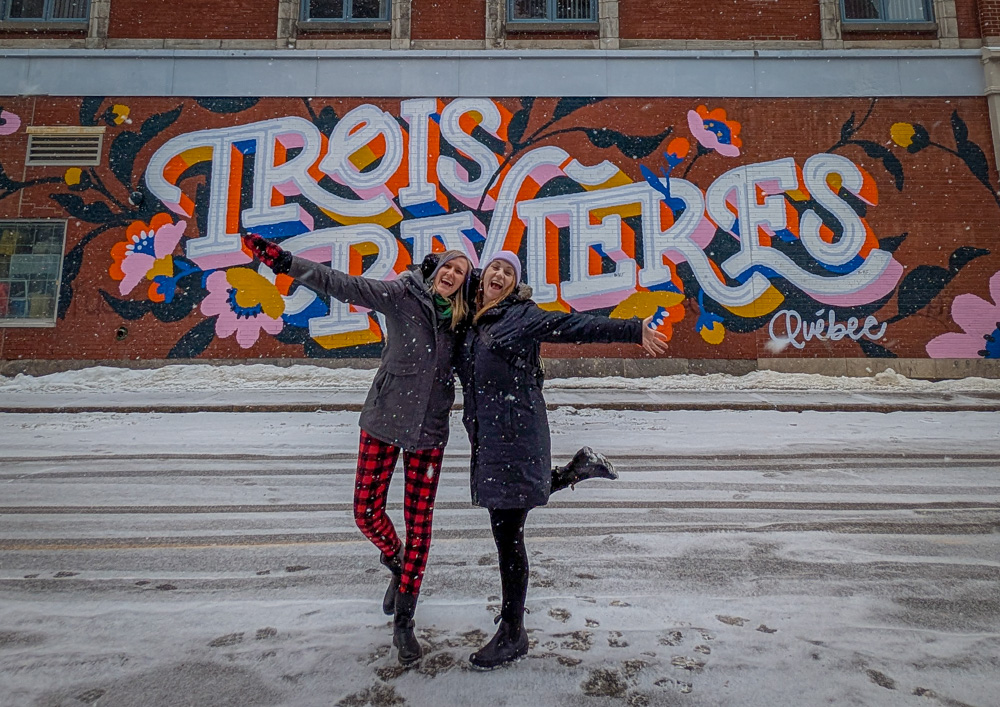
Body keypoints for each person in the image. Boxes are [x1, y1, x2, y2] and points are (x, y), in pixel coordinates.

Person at [242, 233, 471, 666]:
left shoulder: (462, 320)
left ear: (463, 283)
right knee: (365, 511)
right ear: (434, 267)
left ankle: (404, 621)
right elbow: (341, 284)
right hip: (384, 418)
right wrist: (286, 262)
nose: (452, 275)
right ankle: (397, 560)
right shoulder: (402, 294)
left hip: (429, 430)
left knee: (420, 526)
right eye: (448, 266)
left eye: (460, 273)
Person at [456, 250, 669, 670]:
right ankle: (578, 468)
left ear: (513, 285)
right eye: (494, 268)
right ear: (481, 280)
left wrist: (632, 331)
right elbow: (436, 277)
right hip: (491, 438)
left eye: (509, 272)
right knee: (510, 514)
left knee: (507, 532)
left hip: (517, 435)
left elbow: (576, 325)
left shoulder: (522, 316)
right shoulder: (472, 319)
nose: (500, 274)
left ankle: (513, 633)